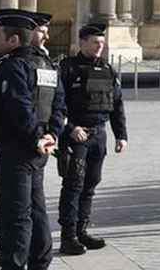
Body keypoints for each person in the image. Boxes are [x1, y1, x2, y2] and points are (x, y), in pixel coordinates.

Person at [0, 10, 60, 270]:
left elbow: (18, 108)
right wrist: (52, 135)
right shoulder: (45, 63)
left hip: (16, 149)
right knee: (37, 212)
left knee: (16, 217)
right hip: (38, 150)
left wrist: (36, 136)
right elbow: (58, 103)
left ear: (12, 40)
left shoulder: (13, 66)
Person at [50, 23, 128, 255]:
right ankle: (68, 236)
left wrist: (121, 135)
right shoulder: (67, 68)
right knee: (74, 185)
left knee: (91, 184)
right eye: (94, 42)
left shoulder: (108, 69)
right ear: (81, 42)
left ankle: (83, 230)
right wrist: (70, 128)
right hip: (77, 136)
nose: (99, 47)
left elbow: (117, 105)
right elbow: (56, 105)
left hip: (99, 134)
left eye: (102, 43)